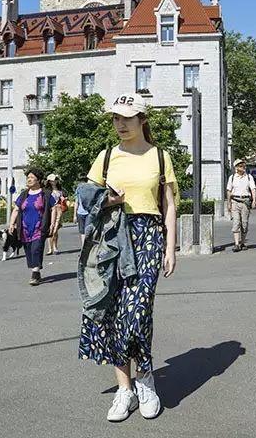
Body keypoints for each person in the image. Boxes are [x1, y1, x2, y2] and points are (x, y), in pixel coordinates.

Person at [79, 93, 178, 423]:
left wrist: (171, 247)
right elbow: (86, 199)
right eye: (116, 118)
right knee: (113, 314)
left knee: (137, 312)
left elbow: (169, 205)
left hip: (148, 235)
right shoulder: (106, 157)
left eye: (127, 118)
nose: (120, 124)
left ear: (142, 120)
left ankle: (146, 380)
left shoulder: (160, 157)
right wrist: (109, 200)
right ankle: (126, 388)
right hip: (111, 238)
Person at [9, 168, 59, 286]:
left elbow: (53, 209)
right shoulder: (24, 194)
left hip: (39, 227)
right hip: (25, 228)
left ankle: (35, 273)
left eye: (31, 178)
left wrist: (52, 224)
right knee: (28, 250)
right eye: (28, 178)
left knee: (36, 248)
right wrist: (11, 223)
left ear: (38, 180)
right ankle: (35, 268)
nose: (29, 180)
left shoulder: (45, 194)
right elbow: (16, 209)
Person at [226, 159, 256, 252]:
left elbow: (253, 189)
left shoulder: (249, 177)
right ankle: (236, 244)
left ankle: (242, 243)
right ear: (236, 168)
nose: (243, 167)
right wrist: (229, 203)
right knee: (236, 222)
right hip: (235, 201)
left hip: (245, 202)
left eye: (243, 165)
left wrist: (254, 200)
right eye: (240, 166)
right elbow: (229, 191)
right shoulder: (232, 177)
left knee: (244, 224)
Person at [44, 173, 68, 256]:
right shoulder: (47, 190)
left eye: (56, 180)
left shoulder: (60, 189)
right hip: (50, 210)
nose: (55, 181)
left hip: (58, 209)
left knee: (55, 229)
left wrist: (64, 199)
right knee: (49, 228)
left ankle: (55, 247)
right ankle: (50, 248)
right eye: (53, 180)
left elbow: (65, 197)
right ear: (49, 181)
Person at [74, 176, 90, 245]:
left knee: (82, 231)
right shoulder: (90, 189)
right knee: (88, 231)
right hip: (88, 212)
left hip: (81, 212)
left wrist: (74, 215)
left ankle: (84, 247)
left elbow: (76, 202)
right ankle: (87, 247)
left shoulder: (78, 189)